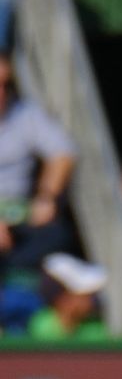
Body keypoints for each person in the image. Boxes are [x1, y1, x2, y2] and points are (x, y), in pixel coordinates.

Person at [0, 50, 76, 287]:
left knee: (56, 235)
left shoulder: (25, 114)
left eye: (5, 84)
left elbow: (63, 154)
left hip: (16, 213)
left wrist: (46, 196)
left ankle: (17, 289)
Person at [27, 253, 108, 341]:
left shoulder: (96, 327)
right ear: (64, 298)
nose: (92, 298)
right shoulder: (41, 324)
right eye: (85, 294)